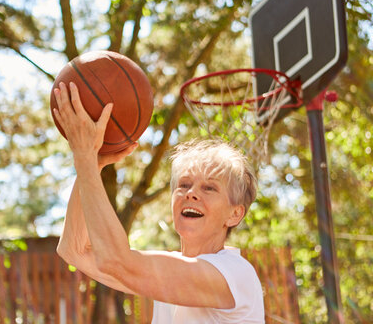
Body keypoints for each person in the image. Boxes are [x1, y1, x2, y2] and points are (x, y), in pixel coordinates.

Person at [54, 80, 265, 323]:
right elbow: (74, 250)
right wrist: (96, 163)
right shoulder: (171, 272)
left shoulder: (234, 274)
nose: (191, 193)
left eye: (209, 188)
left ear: (235, 214)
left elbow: (117, 261)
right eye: (184, 185)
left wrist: (85, 158)